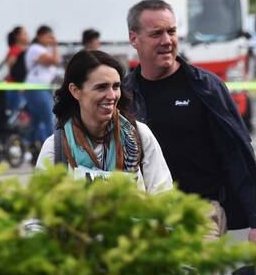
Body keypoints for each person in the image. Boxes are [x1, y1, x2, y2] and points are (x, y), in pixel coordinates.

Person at [122, 0, 256, 245]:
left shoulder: (206, 88)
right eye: (156, 33)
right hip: (143, 216)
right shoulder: (124, 94)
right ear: (134, 38)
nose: (167, 41)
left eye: (171, 31)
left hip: (200, 211)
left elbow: (237, 152)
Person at [36, 50, 172, 194]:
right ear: (75, 91)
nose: (112, 96)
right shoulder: (57, 148)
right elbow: (41, 209)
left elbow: (163, 196)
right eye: (101, 87)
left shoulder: (140, 136)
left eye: (116, 86)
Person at [24, 25, 61, 147]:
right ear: (39, 37)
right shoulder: (35, 49)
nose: (50, 40)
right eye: (48, 37)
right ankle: (52, 148)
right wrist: (55, 45)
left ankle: (30, 144)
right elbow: (55, 61)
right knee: (49, 118)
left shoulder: (43, 50)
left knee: (37, 120)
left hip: (43, 89)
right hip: (37, 88)